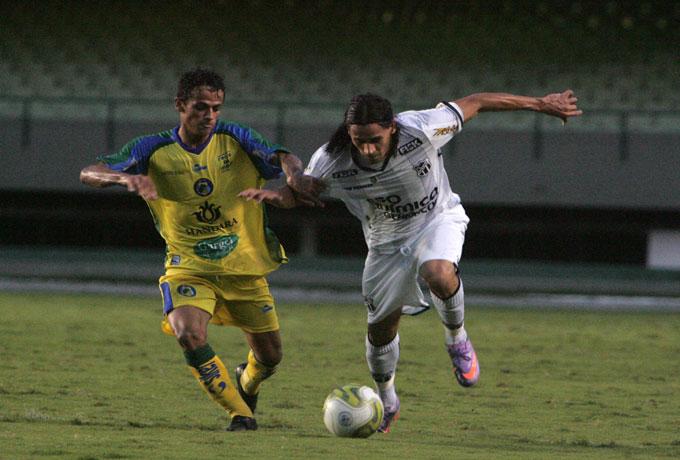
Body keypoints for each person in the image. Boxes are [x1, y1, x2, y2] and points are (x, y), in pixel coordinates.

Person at [239, 90, 582, 433]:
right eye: (359, 141)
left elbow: (476, 102)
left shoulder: (421, 127)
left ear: (392, 128)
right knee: (380, 330)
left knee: (438, 271)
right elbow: (300, 191)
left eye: (375, 140)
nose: (368, 150)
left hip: (438, 218)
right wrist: (277, 197)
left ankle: (456, 337)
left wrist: (539, 104)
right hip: (386, 243)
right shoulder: (332, 159)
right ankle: (387, 399)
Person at [80, 67, 323, 431]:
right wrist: (123, 176)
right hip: (188, 267)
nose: (208, 115)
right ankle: (240, 414)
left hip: (244, 269)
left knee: (270, 358)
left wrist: (292, 175)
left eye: (216, 107)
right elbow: (89, 172)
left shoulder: (237, 138)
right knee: (188, 334)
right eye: (200, 107)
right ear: (180, 105)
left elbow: (282, 156)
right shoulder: (151, 148)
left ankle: (247, 381)